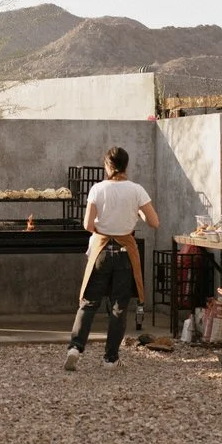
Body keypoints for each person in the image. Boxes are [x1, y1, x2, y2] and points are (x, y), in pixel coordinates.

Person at [65, 145, 159, 371]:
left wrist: (104, 225)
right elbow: (154, 222)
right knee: (118, 306)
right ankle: (110, 359)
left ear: (108, 166)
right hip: (125, 252)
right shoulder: (137, 190)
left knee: (89, 302)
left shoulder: (98, 189)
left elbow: (88, 225)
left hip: (101, 251)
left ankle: (75, 348)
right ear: (126, 165)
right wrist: (135, 213)